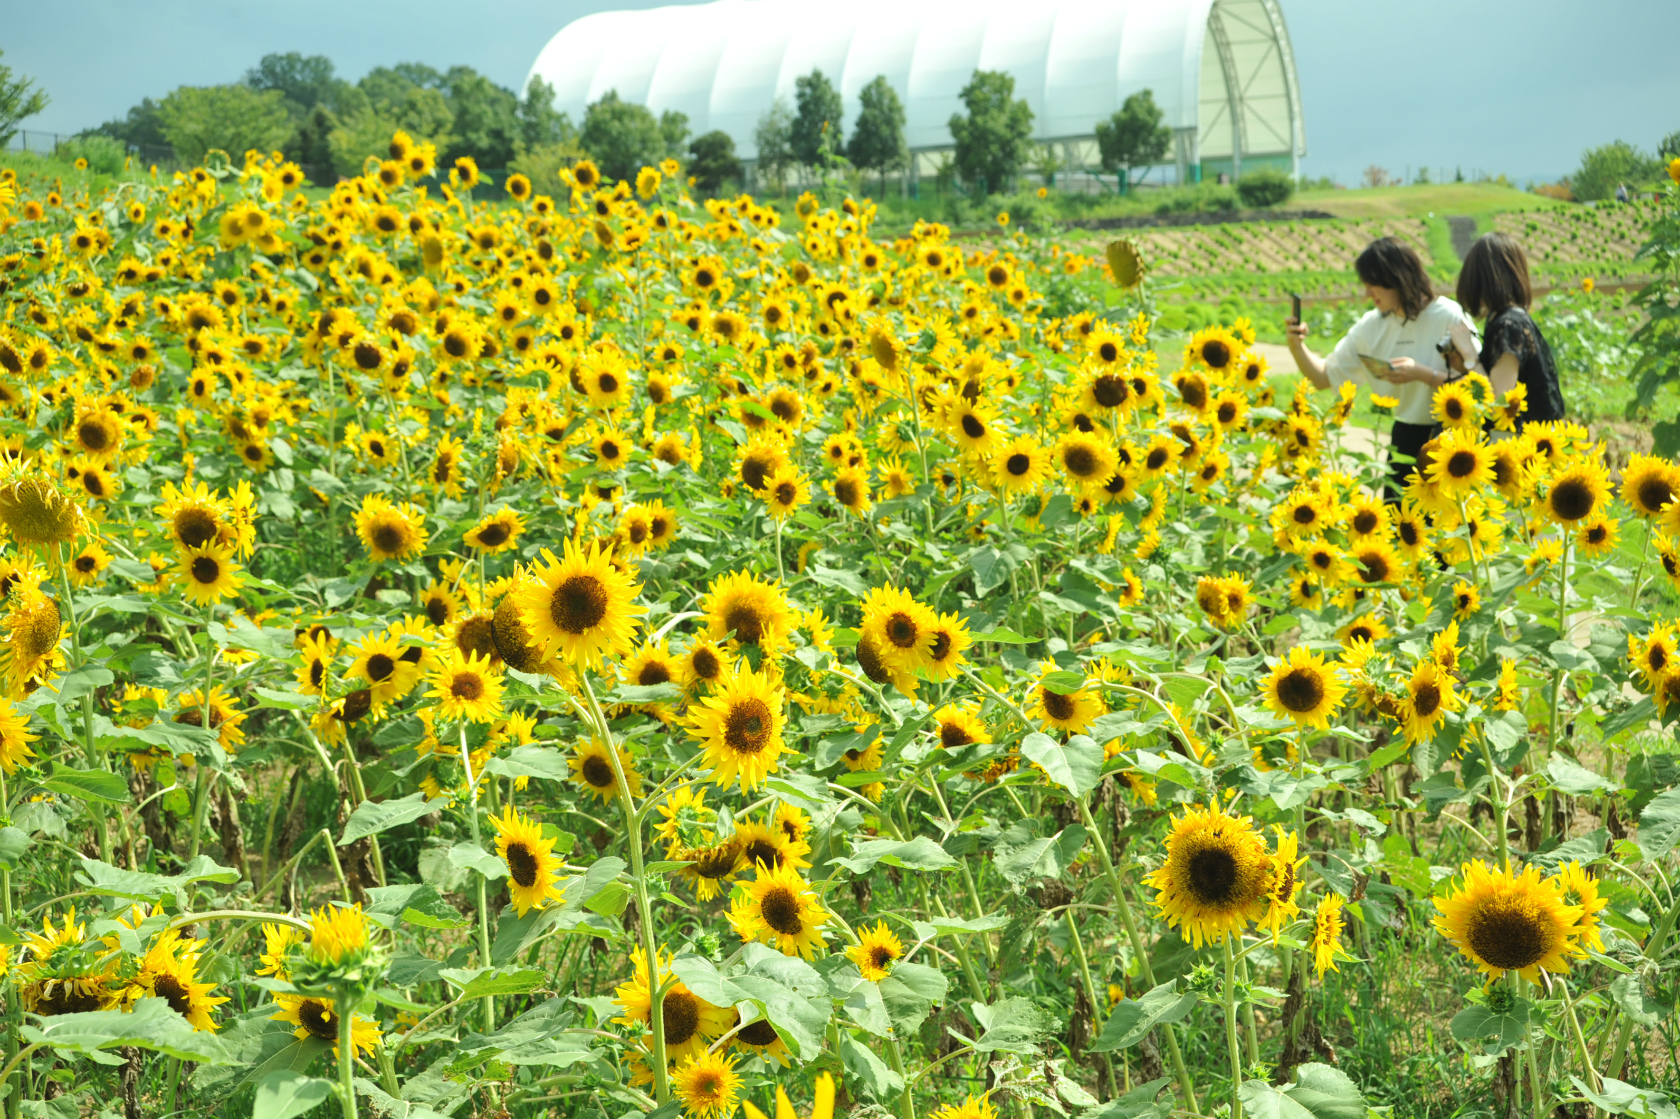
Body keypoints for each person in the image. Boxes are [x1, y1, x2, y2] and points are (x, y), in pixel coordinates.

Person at [1285, 236, 1475, 497]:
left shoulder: (1448, 315)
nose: (1367, 293)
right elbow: (1323, 378)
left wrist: (1423, 374)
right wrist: (1297, 346)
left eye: (1372, 284)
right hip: (1404, 439)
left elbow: (1480, 386)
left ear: (1396, 278)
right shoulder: (1370, 326)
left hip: (1454, 441)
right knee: (1401, 529)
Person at [1449, 231, 1565, 430]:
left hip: (1521, 448)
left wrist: (1469, 353)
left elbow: (1499, 404)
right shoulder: (1507, 318)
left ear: (1480, 279)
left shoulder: (1508, 326)